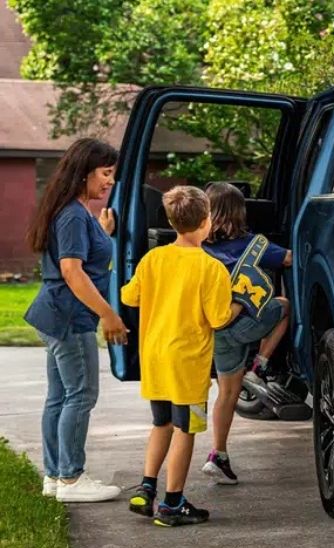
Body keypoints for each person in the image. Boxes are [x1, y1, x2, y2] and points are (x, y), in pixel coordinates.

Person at [121, 186, 241, 527]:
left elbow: (130, 297)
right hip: (187, 364)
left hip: (156, 358)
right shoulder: (211, 268)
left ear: (173, 222)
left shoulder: (153, 259)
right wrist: (243, 300)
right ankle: (173, 503)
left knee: (161, 423)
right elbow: (219, 318)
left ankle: (146, 488)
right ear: (206, 221)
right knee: (185, 430)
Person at [24, 138, 127, 503]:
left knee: (60, 396)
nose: (110, 181)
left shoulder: (76, 212)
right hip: (69, 316)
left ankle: (54, 476)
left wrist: (104, 233)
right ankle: (71, 478)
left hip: (56, 312)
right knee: (80, 395)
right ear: (84, 173)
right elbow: (72, 271)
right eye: (106, 173)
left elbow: (82, 256)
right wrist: (109, 314)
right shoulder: (71, 214)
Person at [201, 182, 292, 485]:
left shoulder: (198, 248)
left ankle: (219, 453)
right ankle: (260, 365)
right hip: (246, 325)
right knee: (283, 305)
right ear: (239, 213)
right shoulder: (253, 245)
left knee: (226, 394)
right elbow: (289, 259)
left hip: (216, 331)